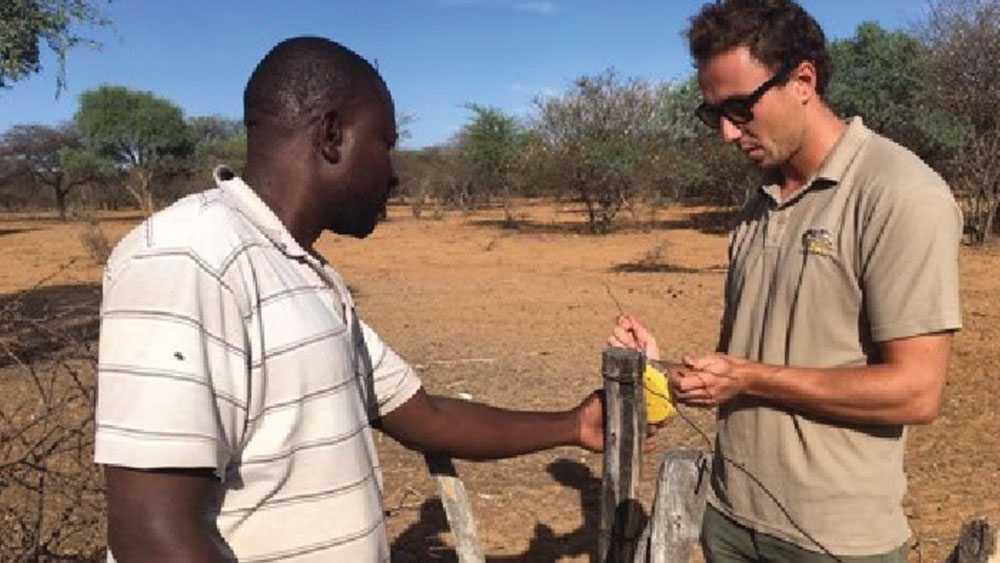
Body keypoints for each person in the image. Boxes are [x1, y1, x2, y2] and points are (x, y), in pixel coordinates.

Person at [94, 37, 606, 563]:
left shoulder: (301, 272)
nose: (393, 171)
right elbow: (151, 537)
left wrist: (572, 424)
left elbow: (426, 417)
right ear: (333, 135)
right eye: (385, 142)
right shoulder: (190, 257)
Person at [610, 1, 962, 561]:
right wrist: (667, 371)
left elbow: (917, 391)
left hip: (834, 540)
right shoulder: (756, 206)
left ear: (803, 79)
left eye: (740, 108)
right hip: (728, 519)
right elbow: (743, 362)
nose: (727, 133)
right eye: (713, 114)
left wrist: (748, 377)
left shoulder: (900, 193)